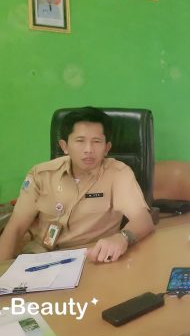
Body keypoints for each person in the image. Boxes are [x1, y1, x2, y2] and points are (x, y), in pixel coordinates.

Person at [0, 107, 154, 263]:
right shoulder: (41, 174)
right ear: (64, 146)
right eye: (80, 141)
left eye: (96, 142)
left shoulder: (118, 173)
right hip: (40, 256)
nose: (88, 150)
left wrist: (122, 238)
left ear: (106, 148)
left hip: (91, 257)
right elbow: (15, 228)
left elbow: (143, 219)